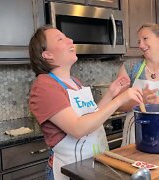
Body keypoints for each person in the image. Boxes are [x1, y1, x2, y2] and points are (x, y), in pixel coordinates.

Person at [28, 25, 143, 180]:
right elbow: (77, 128)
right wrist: (120, 100)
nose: (70, 40)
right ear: (47, 54)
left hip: (91, 167)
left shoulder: (75, 82)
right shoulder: (44, 86)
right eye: (61, 39)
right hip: (69, 172)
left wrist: (111, 94)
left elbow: (90, 117)